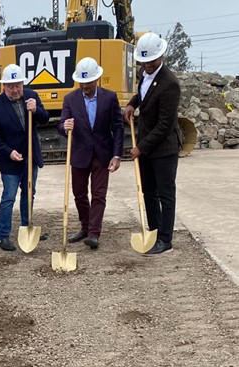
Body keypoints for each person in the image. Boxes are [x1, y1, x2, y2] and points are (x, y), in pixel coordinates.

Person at [124, 32, 181, 255]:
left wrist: (140, 147)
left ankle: (165, 239)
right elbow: (143, 94)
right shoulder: (143, 73)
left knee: (165, 193)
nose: (147, 65)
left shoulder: (170, 84)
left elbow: (165, 125)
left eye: (151, 61)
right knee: (148, 191)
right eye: (144, 61)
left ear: (161, 56)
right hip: (147, 144)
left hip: (163, 148)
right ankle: (154, 230)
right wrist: (131, 104)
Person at [58, 57, 124, 249]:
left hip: (102, 154)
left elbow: (118, 127)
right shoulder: (70, 99)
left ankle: (94, 233)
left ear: (97, 79)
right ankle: (85, 227)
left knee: (98, 194)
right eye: (82, 83)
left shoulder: (110, 98)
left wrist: (117, 155)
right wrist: (65, 126)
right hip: (79, 153)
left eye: (88, 83)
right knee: (79, 194)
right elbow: (61, 124)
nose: (85, 86)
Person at [0, 64, 49, 252]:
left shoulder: (31, 96)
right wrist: (8, 151)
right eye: (11, 86)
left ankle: (26, 227)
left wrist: (36, 110)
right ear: (3, 86)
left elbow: (45, 119)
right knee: (9, 197)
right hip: (10, 159)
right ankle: (3, 235)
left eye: (18, 85)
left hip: (30, 156)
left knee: (29, 193)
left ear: (22, 83)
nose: (15, 90)